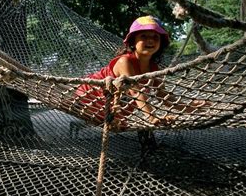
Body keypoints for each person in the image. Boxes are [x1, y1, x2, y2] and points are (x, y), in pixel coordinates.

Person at [76, 15, 205, 126]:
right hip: (87, 98)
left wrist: (192, 107)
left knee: (120, 123)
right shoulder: (124, 62)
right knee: (73, 104)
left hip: (111, 110)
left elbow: (165, 97)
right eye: (144, 36)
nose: (150, 40)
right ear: (133, 41)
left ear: (160, 43)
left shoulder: (154, 69)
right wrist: (152, 117)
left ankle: (113, 120)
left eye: (155, 37)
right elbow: (136, 91)